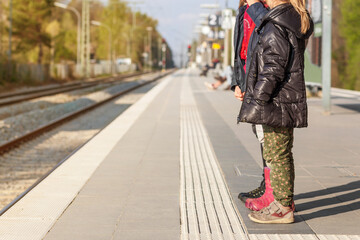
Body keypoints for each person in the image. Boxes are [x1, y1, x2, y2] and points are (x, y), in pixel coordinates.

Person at [237, 0, 313, 223]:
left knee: (276, 155)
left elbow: (273, 68)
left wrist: (259, 98)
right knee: (282, 153)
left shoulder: (275, 24)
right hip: (287, 99)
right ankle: (282, 202)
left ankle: (282, 208)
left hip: (275, 100)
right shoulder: (293, 20)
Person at [231, 0, 269, 203]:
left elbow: (269, 31)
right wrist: (237, 82)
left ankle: (275, 191)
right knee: (260, 132)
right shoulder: (243, 9)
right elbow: (239, 51)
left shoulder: (265, 7)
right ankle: (268, 185)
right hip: (248, 79)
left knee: (270, 135)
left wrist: (256, 5)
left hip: (263, 80)